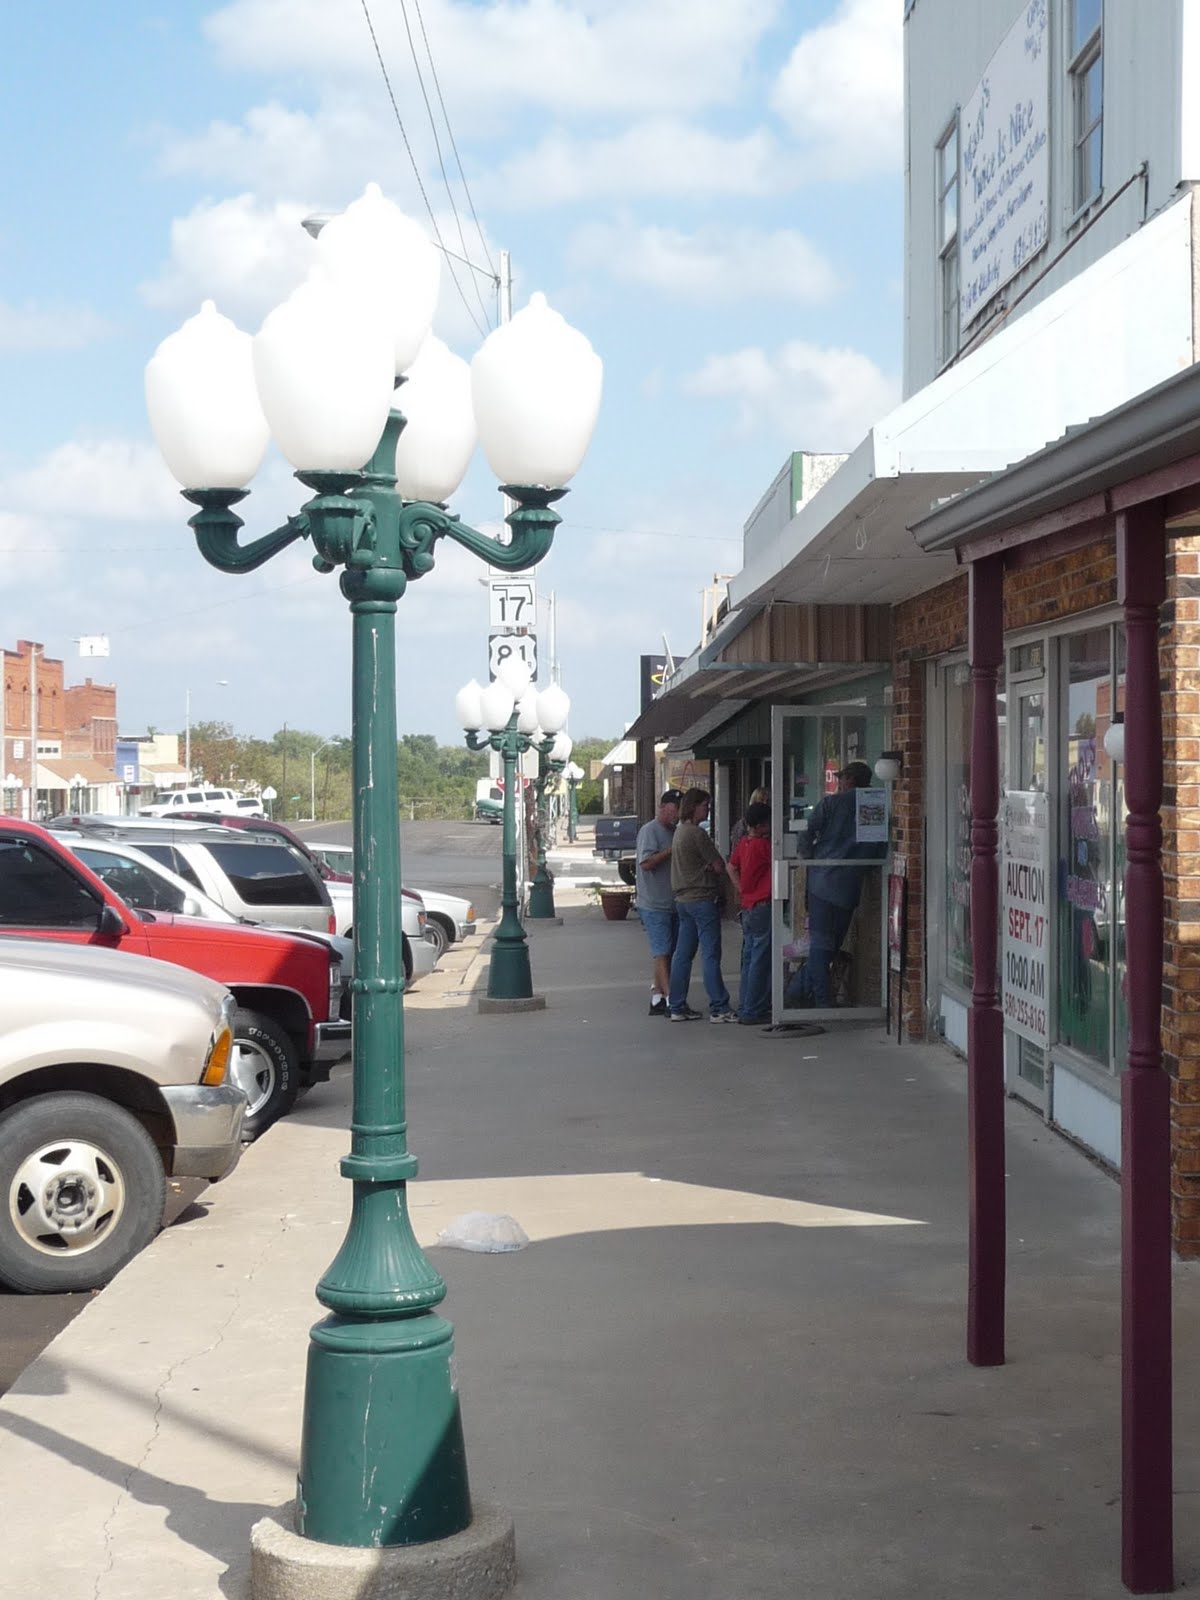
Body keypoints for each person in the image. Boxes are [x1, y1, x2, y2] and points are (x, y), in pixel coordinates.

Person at [797, 760, 887, 1009]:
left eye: (841, 779)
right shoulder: (874, 804)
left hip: (823, 883)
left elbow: (806, 833)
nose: (838, 783)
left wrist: (808, 859)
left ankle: (819, 1002)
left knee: (820, 944)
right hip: (850, 885)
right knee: (832, 943)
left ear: (850, 781)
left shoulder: (831, 803)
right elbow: (879, 845)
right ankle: (805, 993)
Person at [667, 788, 736, 1022]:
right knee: (710, 954)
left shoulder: (679, 832)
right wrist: (709, 868)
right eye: (705, 805)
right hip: (702, 899)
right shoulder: (697, 834)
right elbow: (718, 865)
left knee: (682, 954)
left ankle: (676, 1005)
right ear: (694, 806)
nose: (707, 810)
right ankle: (719, 1006)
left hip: (683, 901)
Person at [635, 789, 683, 1017]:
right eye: (672, 811)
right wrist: (670, 851)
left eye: (678, 812)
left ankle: (657, 997)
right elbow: (646, 863)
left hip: (672, 901)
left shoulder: (675, 831)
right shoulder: (649, 831)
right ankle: (673, 999)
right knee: (662, 952)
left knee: (666, 952)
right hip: (653, 903)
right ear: (662, 808)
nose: (675, 816)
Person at [728, 801, 772, 1025]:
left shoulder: (745, 843)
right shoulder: (764, 847)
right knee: (760, 959)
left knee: (748, 958)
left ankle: (746, 1005)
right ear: (763, 825)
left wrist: (741, 889)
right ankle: (755, 1008)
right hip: (764, 905)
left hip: (748, 906)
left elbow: (731, 866)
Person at [728, 786, 770, 854]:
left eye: (767, 801)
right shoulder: (742, 825)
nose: (765, 803)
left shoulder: (771, 822)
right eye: (761, 800)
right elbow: (736, 850)